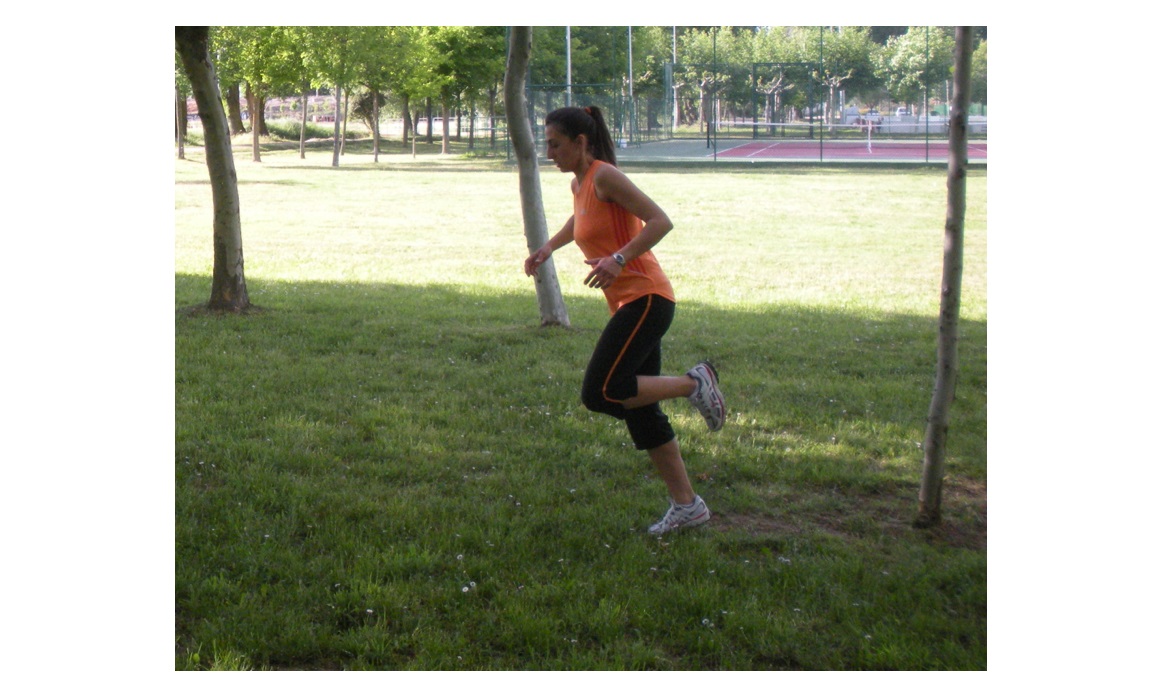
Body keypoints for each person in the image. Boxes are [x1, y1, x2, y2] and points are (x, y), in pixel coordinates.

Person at [523, 105, 726, 536]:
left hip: (647, 298)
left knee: (603, 392)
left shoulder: (605, 175)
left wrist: (619, 258)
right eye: (546, 143)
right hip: (628, 304)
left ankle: (696, 383)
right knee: (640, 410)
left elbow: (660, 221)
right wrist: (547, 249)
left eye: (555, 144)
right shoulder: (581, 183)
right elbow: (579, 221)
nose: (548, 152)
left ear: (580, 142)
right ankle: (687, 506)